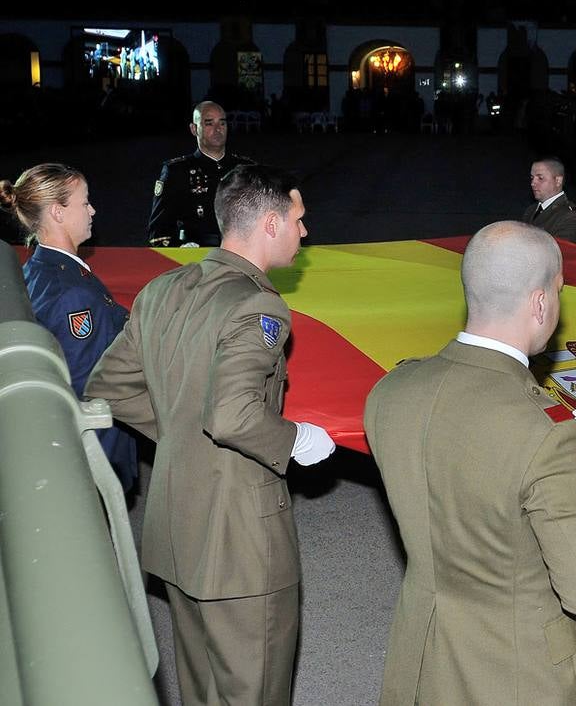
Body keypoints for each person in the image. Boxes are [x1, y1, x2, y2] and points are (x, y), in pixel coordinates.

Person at [86, 164, 337, 706]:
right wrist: (296, 439)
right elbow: (232, 415)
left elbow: (108, 384)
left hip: (178, 525)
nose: (304, 231)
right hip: (241, 545)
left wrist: (179, 427)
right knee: (255, 690)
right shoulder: (258, 305)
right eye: (298, 219)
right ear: (270, 224)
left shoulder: (162, 290)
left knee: (201, 691)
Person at [364, 221, 576, 705]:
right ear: (539, 303)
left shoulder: (390, 392)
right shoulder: (548, 435)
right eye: (557, 292)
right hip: (517, 677)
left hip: (419, 659)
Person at [0, 163, 138, 490]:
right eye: (84, 202)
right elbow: (87, 390)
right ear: (58, 213)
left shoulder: (40, 269)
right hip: (91, 457)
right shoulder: (70, 291)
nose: (92, 209)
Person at [147, 100, 253, 247]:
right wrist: (178, 249)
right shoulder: (177, 171)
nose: (218, 129)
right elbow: (159, 231)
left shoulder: (246, 168)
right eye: (209, 123)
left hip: (242, 253)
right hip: (197, 253)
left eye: (222, 123)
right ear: (194, 129)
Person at [523, 156, 576, 245]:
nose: (532, 183)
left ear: (558, 180)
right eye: (532, 178)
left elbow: (561, 254)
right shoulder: (531, 210)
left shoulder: (570, 216)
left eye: (540, 178)